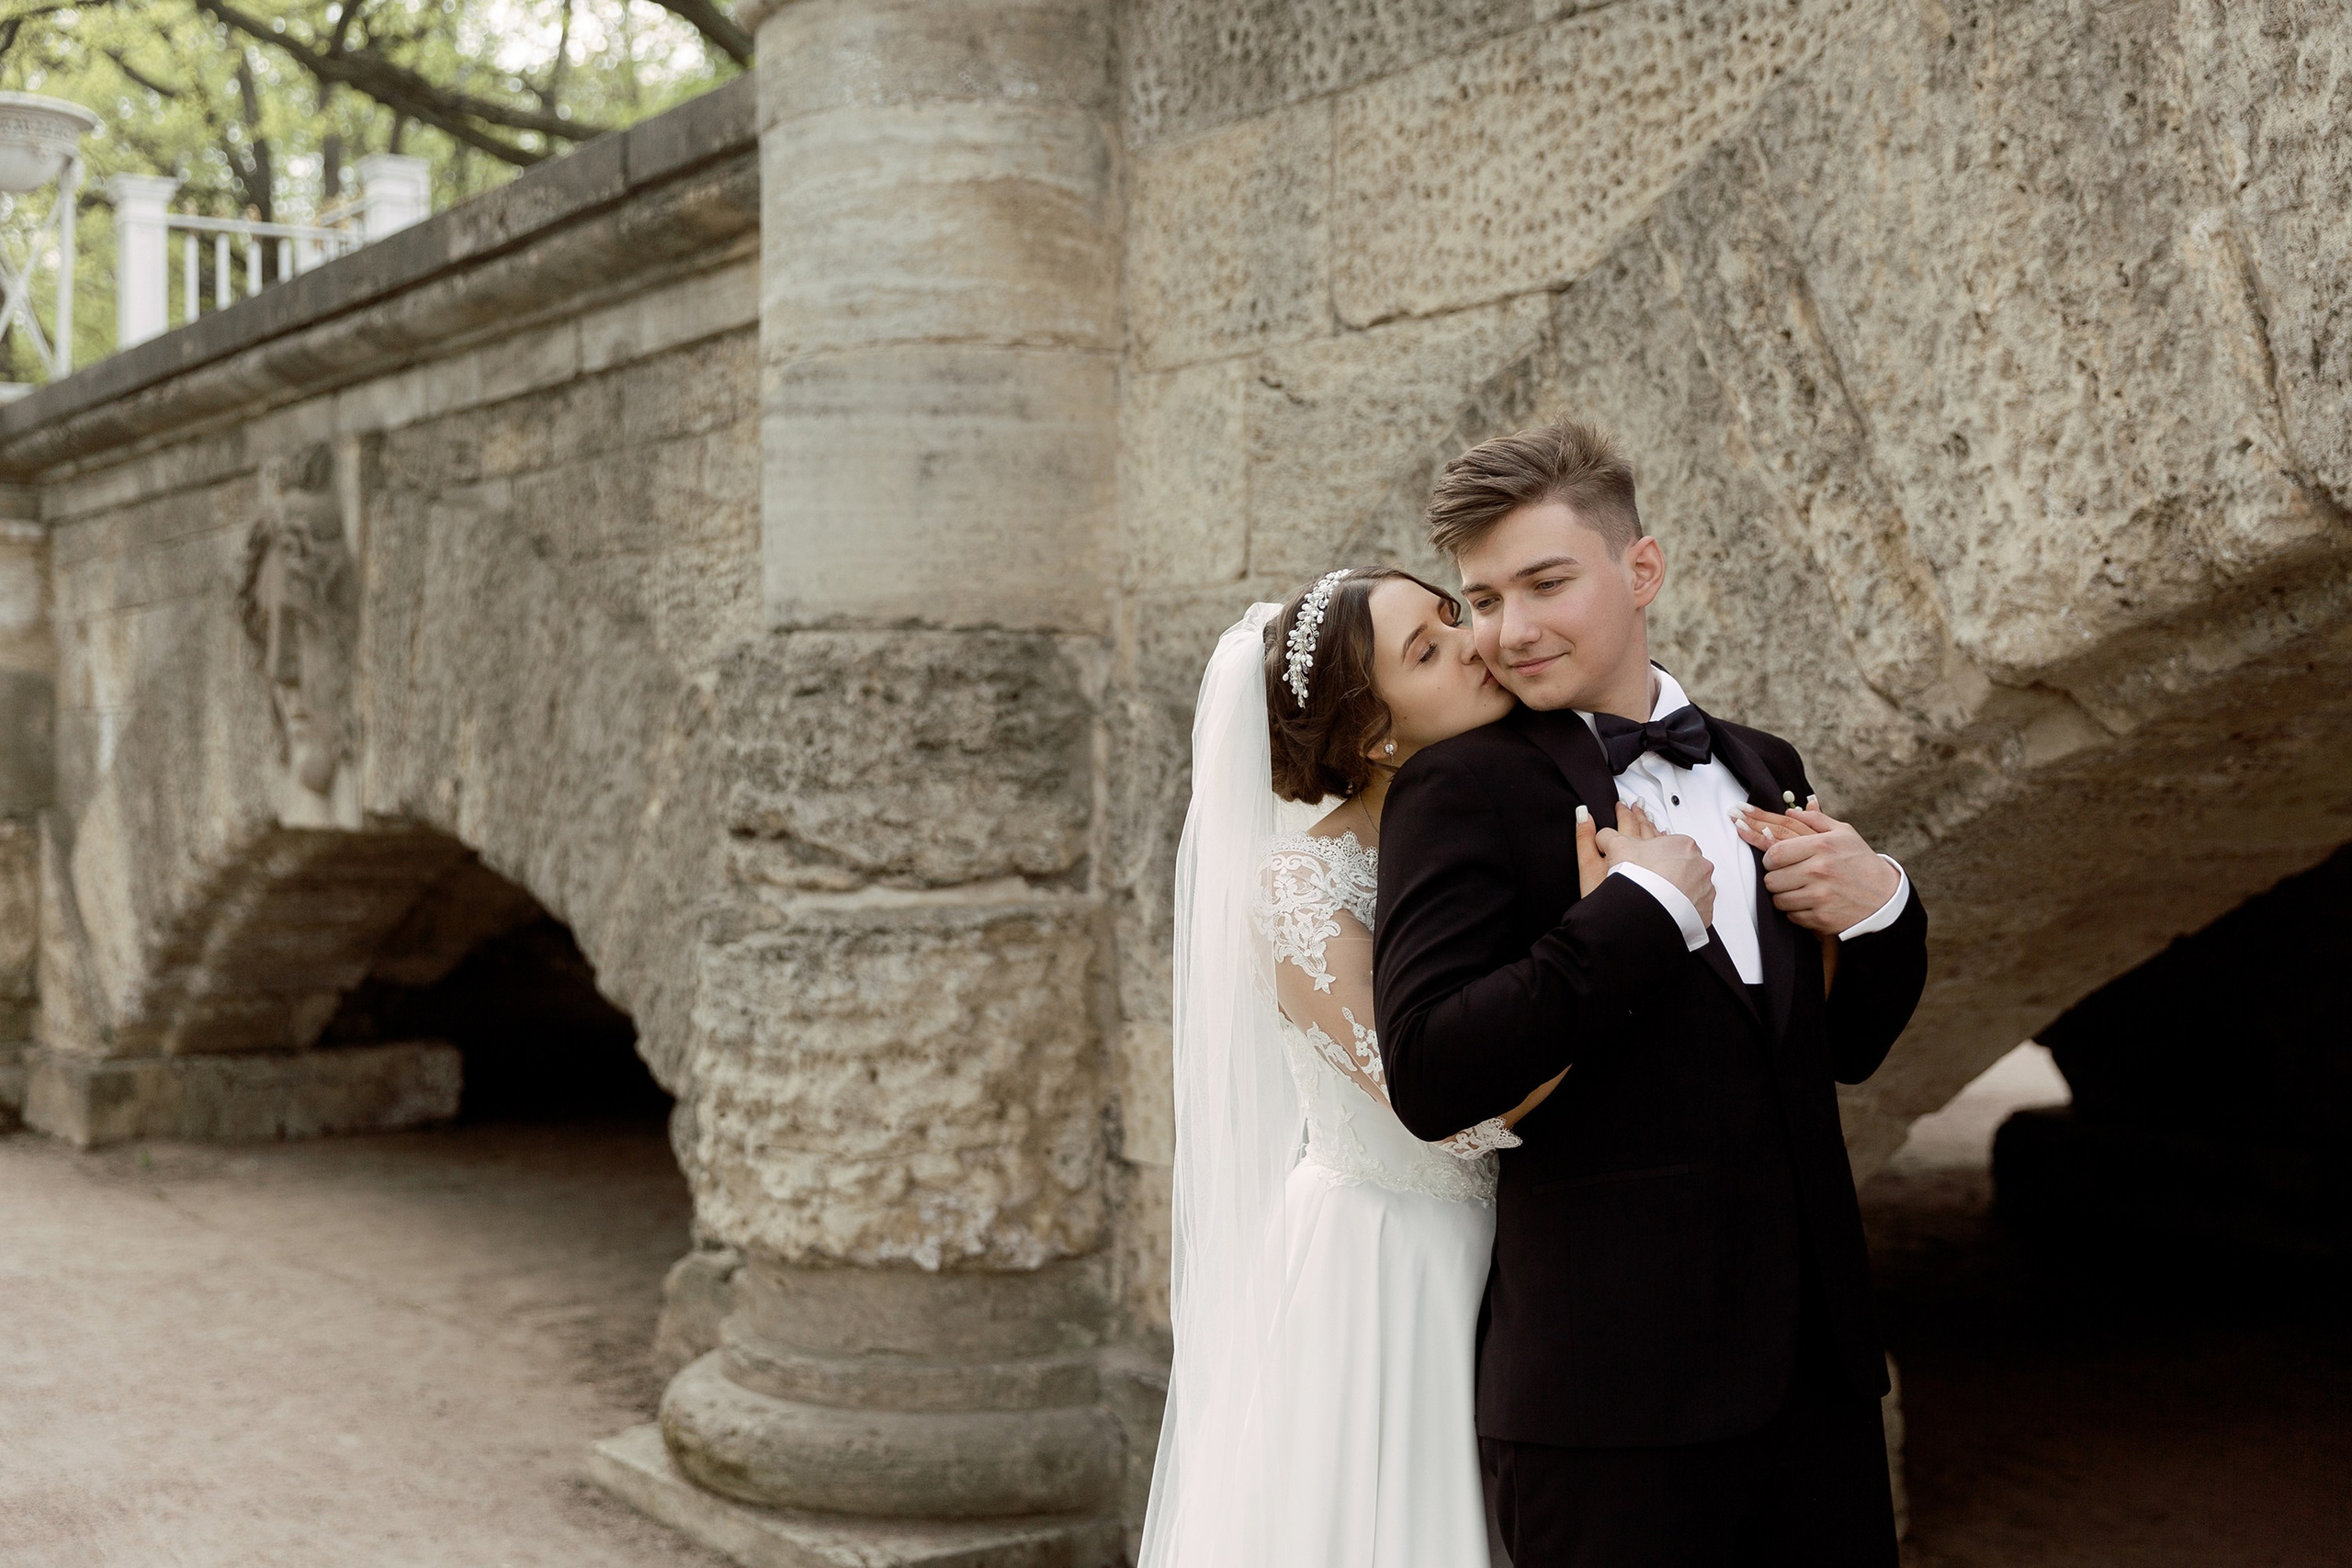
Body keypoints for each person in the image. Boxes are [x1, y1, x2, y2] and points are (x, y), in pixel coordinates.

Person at [1374, 417, 1929, 1567]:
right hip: (1610, 1403)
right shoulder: (1461, 789)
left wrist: (1879, 903)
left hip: (1818, 1382)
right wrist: (1632, 920)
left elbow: (1844, 1049)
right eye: (1483, 600)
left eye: (1545, 584)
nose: (1510, 631)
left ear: (1641, 570)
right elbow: (1428, 1072)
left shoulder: (1765, 763)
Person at [1140, 566, 1591, 1568]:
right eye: (1428, 652)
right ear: (1376, 735)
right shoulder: (1301, 889)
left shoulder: (1519, 821)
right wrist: (1618, 948)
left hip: (1529, 1257)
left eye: (1450, 615)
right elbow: (1450, 1109)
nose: (1476, 641)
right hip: (1390, 1269)